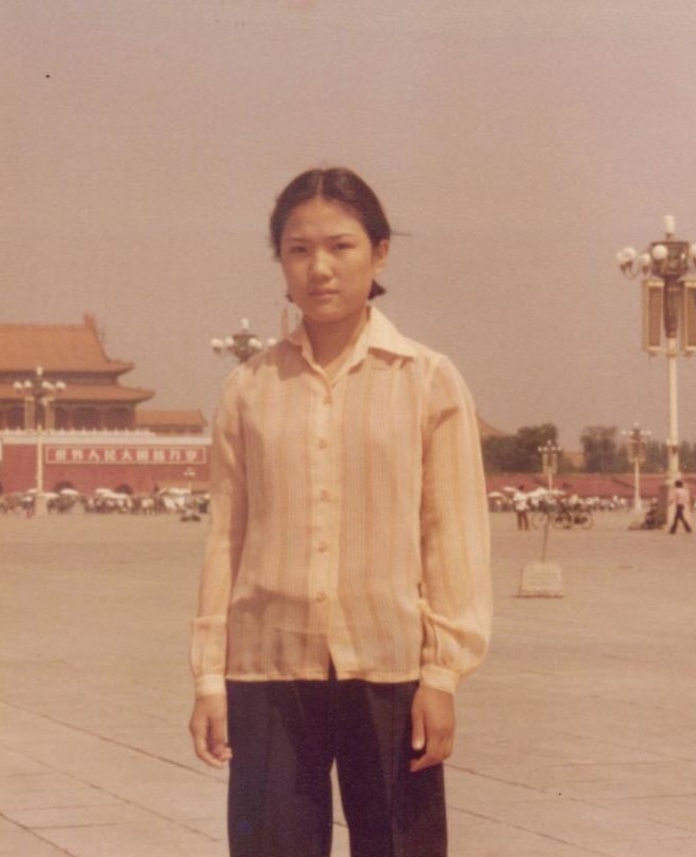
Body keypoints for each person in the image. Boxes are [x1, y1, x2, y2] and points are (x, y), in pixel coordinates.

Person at [188, 167, 492, 857]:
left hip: (390, 667)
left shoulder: (427, 380)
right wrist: (209, 678)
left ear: (379, 253)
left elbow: (452, 536)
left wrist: (442, 675)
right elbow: (226, 537)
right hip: (268, 669)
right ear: (280, 260)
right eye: (298, 250)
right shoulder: (248, 388)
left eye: (340, 246)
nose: (318, 268)